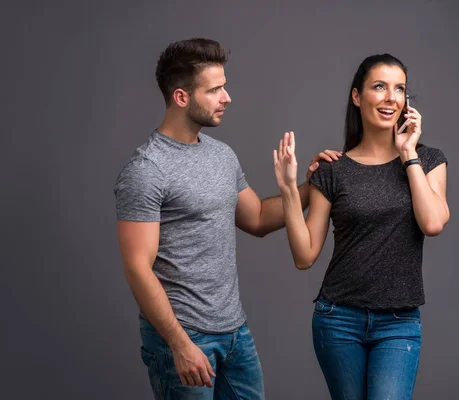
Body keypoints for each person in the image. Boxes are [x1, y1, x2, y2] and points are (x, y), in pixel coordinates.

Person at [113, 38, 340, 400]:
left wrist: (312, 185)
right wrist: (180, 344)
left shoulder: (221, 156)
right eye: (215, 89)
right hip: (183, 338)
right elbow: (138, 268)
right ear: (181, 97)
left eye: (225, 86)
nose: (227, 97)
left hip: (235, 334)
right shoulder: (147, 170)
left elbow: (260, 218)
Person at [273, 53, 450, 399]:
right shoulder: (333, 170)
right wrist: (288, 189)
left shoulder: (428, 160)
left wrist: (407, 153)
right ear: (357, 96)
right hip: (338, 320)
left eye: (399, 89)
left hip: (399, 323)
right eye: (379, 87)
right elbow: (304, 255)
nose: (391, 98)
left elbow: (432, 222)